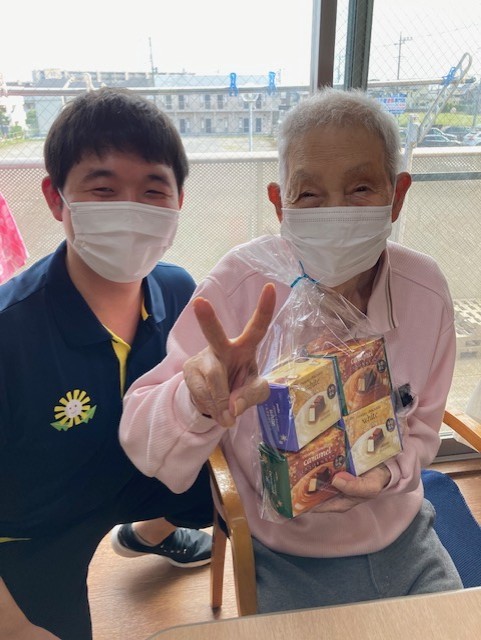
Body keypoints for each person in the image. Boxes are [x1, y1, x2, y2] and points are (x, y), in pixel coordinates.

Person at [119, 87, 463, 613]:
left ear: (397, 195)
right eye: (309, 194)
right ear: (279, 202)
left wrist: (388, 472)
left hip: (406, 536)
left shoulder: (425, 290)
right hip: (284, 552)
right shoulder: (242, 284)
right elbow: (143, 440)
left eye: (361, 188)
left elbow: (421, 431)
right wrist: (200, 399)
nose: (336, 211)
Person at [0, 87, 213, 640]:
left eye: (153, 190)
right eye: (103, 189)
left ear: (180, 200)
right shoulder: (9, 330)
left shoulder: (179, 290)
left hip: (133, 475)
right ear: (56, 198)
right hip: (37, 525)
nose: (131, 209)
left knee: (219, 479)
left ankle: (149, 532)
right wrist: (14, 626)